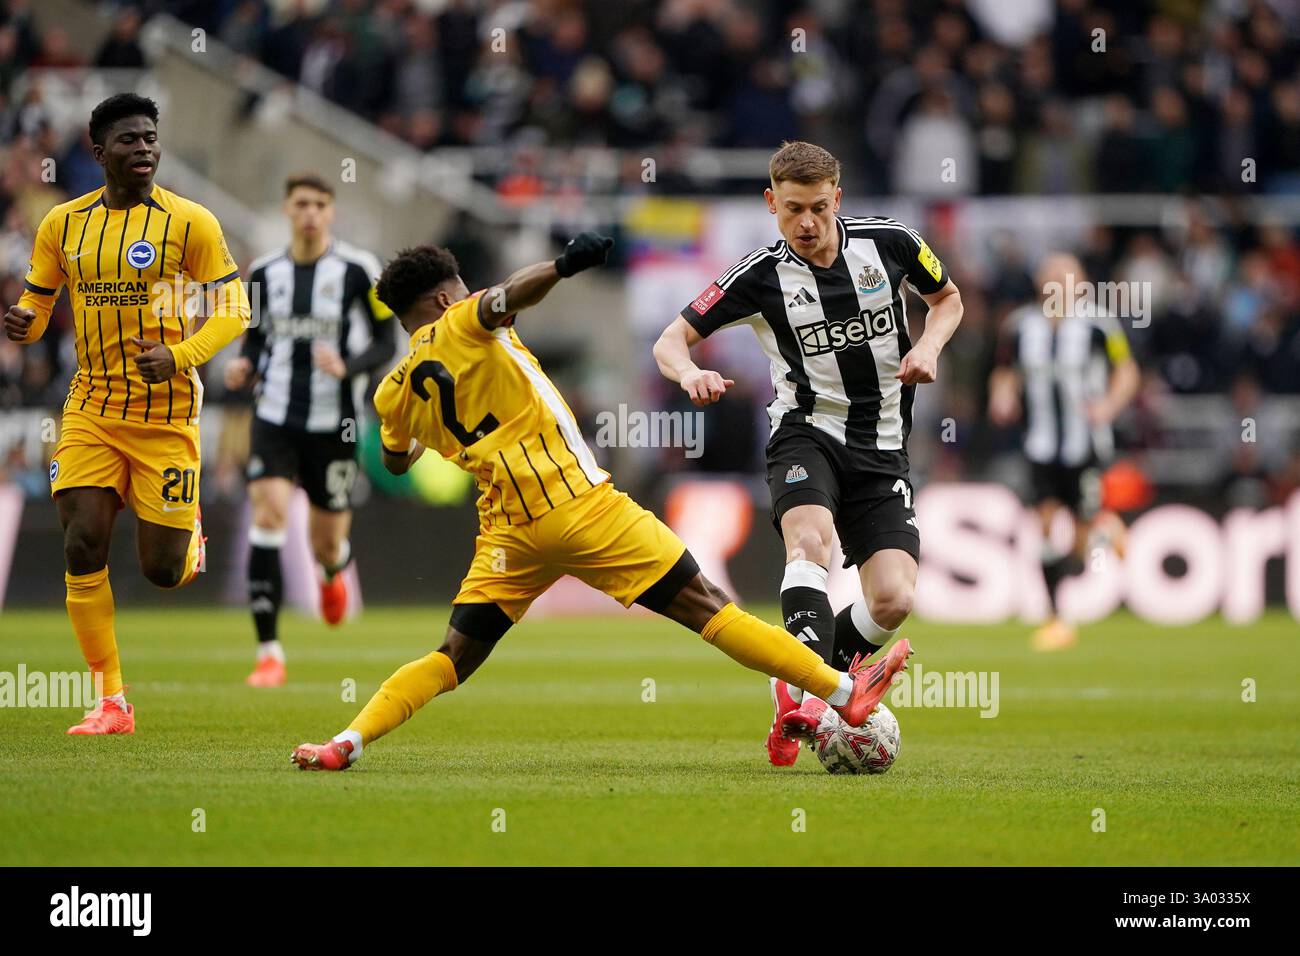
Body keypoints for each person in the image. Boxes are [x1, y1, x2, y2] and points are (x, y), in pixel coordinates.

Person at [291, 235, 911, 770]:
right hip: (581, 508)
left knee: (451, 657)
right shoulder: (464, 321)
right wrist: (562, 266)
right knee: (711, 610)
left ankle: (348, 740)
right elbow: (510, 294)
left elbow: (397, 458)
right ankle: (837, 689)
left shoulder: (390, 393)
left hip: (508, 534)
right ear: (447, 298)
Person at [652, 141, 962, 766]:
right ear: (771, 203)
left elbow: (948, 300)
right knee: (810, 544)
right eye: (793, 209)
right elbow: (671, 339)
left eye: (819, 207)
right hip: (805, 431)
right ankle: (820, 692)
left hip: (882, 447)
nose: (807, 223)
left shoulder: (892, 243)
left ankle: (796, 682)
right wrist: (689, 374)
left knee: (894, 599)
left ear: (838, 198)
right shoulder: (758, 276)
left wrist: (928, 349)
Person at [2, 94, 250, 733]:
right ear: (98, 153)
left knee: (162, 572)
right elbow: (36, 305)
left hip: (166, 413)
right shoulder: (64, 224)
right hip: (90, 405)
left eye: (150, 139)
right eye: (129, 141)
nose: (143, 149)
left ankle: (186, 534)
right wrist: (23, 326)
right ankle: (112, 700)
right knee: (82, 540)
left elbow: (232, 310)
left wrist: (181, 354)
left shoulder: (190, 222)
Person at [224, 173, 395, 687]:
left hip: (335, 425)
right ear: (287, 209)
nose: (311, 214)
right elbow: (255, 340)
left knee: (326, 543)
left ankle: (330, 570)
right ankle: (269, 652)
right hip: (274, 416)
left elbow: (389, 341)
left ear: (331, 212)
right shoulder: (264, 272)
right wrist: (244, 366)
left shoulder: (359, 270)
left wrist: (349, 364)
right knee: (269, 517)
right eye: (302, 204)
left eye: (320, 204)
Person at [988, 252, 1139, 651]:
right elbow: (1004, 370)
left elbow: (1127, 371)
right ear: (1040, 281)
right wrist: (1002, 395)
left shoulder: (1099, 324)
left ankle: (1100, 536)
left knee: (1081, 542)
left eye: (1065, 274)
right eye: (1051, 274)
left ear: (1081, 281)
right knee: (1044, 531)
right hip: (1040, 447)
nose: (1057, 280)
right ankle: (1056, 618)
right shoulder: (1019, 326)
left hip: (1085, 446)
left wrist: (1108, 405)